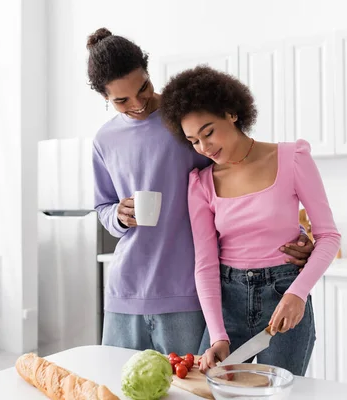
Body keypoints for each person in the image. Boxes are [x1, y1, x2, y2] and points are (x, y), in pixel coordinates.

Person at [86, 28, 315, 356]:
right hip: (126, 289)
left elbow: (242, 172)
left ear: (149, 74)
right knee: (120, 386)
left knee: (187, 390)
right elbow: (103, 207)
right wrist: (118, 215)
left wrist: (289, 234)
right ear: (105, 98)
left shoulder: (187, 121)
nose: (137, 104)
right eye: (121, 100)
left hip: (188, 291)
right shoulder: (104, 140)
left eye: (144, 89)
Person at [160, 65, 341, 375]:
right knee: (215, 392)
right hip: (228, 302)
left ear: (231, 113)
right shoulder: (201, 184)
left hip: (284, 293)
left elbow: (329, 237)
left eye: (208, 132)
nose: (204, 147)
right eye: (193, 141)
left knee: (280, 395)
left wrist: (297, 294)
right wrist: (218, 333)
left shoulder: (292, 158)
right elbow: (205, 262)